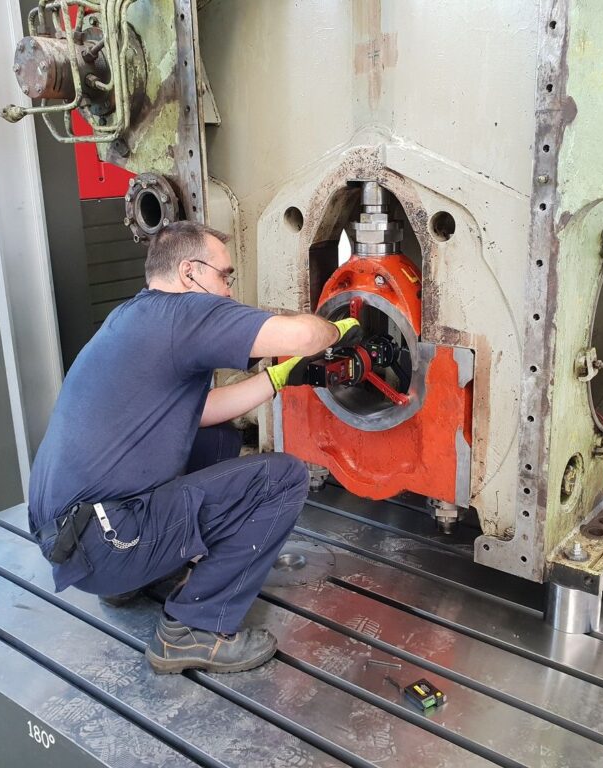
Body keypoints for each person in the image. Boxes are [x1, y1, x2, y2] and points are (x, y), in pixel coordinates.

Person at [28, 220, 359, 674]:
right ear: (190, 272)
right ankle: (193, 629)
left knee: (217, 437)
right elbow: (304, 336)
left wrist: (277, 379)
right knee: (283, 478)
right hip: (109, 542)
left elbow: (198, 412)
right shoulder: (185, 315)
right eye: (224, 275)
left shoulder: (133, 316)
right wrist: (337, 331)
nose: (226, 291)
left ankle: (133, 578)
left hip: (75, 543)